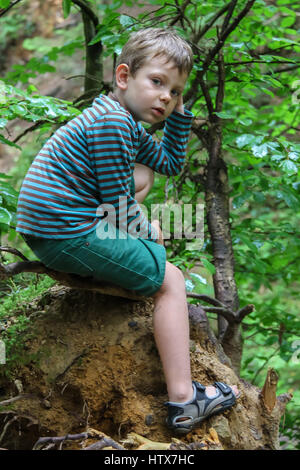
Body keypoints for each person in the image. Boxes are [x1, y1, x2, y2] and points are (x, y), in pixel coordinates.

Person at [16, 28, 238, 434]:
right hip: (67, 230)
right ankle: (185, 400)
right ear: (123, 77)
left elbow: (170, 161)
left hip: (58, 226)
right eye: (156, 82)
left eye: (175, 91)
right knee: (170, 278)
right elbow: (118, 206)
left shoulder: (121, 121)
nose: (166, 97)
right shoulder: (113, 124)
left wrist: (181, 113)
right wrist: (149, 231)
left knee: (146, 191)